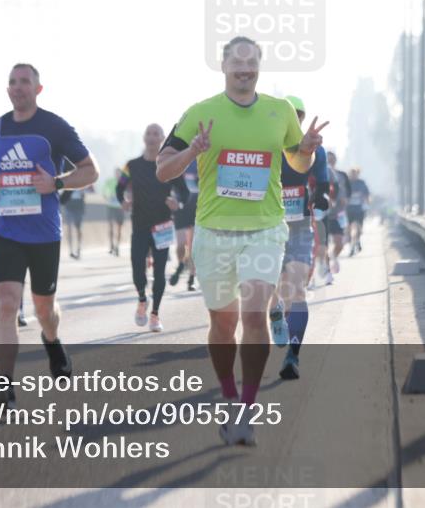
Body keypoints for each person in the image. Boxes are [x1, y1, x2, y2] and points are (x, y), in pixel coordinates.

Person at [156, 36, 326, 446]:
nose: (245, 70)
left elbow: (296, 160)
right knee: (223, 323)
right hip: (214, 233)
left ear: (259, 67)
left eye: (252, 63)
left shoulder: (280, 111)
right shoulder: (201, 113)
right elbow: (163, 169)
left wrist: (304, 149)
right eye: (238, 63)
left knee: (253, 316)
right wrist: (192, 151)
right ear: (224, 66)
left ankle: (247, 411)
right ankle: (229, 398)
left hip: (265, 230)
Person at [0, 63, 98, 406]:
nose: (18, 88)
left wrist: (56, 182)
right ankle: (4, 383)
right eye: (12, 82)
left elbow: (91, 170)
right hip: (6, 230)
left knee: (44, 308)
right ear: (7, 89)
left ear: (38, 89)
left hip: (44, 233)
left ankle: (52, 339)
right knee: (6, 303)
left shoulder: (54, 127)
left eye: (25, 82)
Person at [272, 96, 330, 380]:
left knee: (296, 289)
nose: (293, 119)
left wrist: (322, 197)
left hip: (299, 227)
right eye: (289, 114)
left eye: (299, 115)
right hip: (267, 227)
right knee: (275, 290)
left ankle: (292, 355)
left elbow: (323, 178)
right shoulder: (268, 145)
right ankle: (275, 312)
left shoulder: (314, 147)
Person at [116, 124, 189, 332]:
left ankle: (155, 314)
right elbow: (119, 187)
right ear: (144, 137)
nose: (151, 136)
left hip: (163, 226)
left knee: (159, 272)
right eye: (148, 132)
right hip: (139, 224)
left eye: (156, 133)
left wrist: (178, 203)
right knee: (137, 269)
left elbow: (184, 193)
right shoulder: (131, 165)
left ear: (163, 138)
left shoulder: (169, 165)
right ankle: (142, 298)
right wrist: (123, 201)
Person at [170, 158, 198, 290]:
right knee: (181, 245)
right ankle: (181, 264)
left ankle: (191, 279)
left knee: (192, 246)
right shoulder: (177, 157)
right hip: (180, 206)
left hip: (195, 205)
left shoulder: (200, 158)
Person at [325, 150, 351, 279]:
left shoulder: (342, 175)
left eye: (332, 159)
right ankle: (327, 271)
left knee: (340, 243)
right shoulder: (320, 174)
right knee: (322, 246)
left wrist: (346, 199)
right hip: (323, 215)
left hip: (338, 214)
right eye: (327, 159)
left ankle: (332, 257)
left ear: (335, 161)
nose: (330, 162)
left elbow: (348, 192)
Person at [346, 167, 371, 256]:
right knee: (351, 228)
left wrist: (367, 202)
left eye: (355, 173)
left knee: (359, 229)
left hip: (360, 209)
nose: (353, 175)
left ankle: (358, 241)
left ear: (357, 174)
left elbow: (367, 194)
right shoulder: (347, 183)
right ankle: (352, 247)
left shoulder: (361, 183)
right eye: (351, 173)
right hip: (349, 209)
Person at [63, 183, 92, 259]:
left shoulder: (81, 177)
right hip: (69, 204)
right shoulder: (67, 175)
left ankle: (78, 248)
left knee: (78, 228)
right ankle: (71, 250)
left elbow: (89, 190)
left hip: (78, 205)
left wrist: (83, 190)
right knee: (69, 228)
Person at [103, 168, 125, 256]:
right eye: (116, 173)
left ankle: (117, 246)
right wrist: (106, 195)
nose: (117, 175)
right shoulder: (110, 181)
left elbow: (128, 189)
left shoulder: (123, 181)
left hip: (119, 207)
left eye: (119, 173)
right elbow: (104, 189)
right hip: (110, 206)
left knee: (119, 228)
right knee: (111, 227)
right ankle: (111, 245)